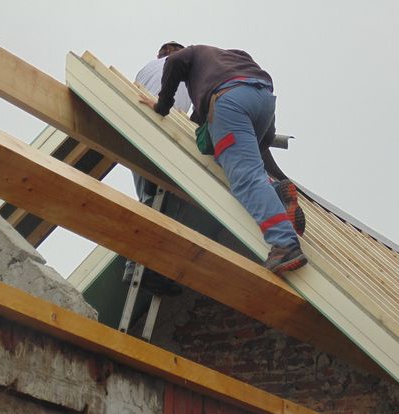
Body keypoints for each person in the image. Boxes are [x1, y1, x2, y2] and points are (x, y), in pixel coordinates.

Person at [140, 44, 307, 274]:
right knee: (232, 159)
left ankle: (285, 244)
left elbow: (174, 61)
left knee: (245, 179)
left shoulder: (191, 54)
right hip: (263, 99)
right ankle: (277, 192)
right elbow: (262, 137)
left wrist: (162, 106)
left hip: (229, 101)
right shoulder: (228, 58)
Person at [122, 41, 191, 296]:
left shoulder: (145, 69)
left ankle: (138, 265)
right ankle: (149, 269)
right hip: (162, 133)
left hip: (135, 136)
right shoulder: (184, 72)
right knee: (163, 206)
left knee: (149, 200)